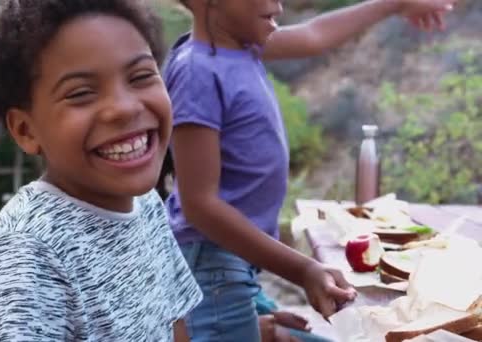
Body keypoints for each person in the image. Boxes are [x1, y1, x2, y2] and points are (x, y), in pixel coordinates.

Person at [163, 0, 458, 341]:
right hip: (212, 269)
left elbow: (314, 35)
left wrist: (395, 4)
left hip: (234, 264)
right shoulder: (198, 70)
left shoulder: (240, 44)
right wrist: (303, 269)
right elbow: (200, 206)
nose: (278, 4)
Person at [0, 1, 202, 341]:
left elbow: (174, 323)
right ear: (26, 130)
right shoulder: (27, 259)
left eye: (141, 76)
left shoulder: (146, 204)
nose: (124, 108)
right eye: (81, 93)